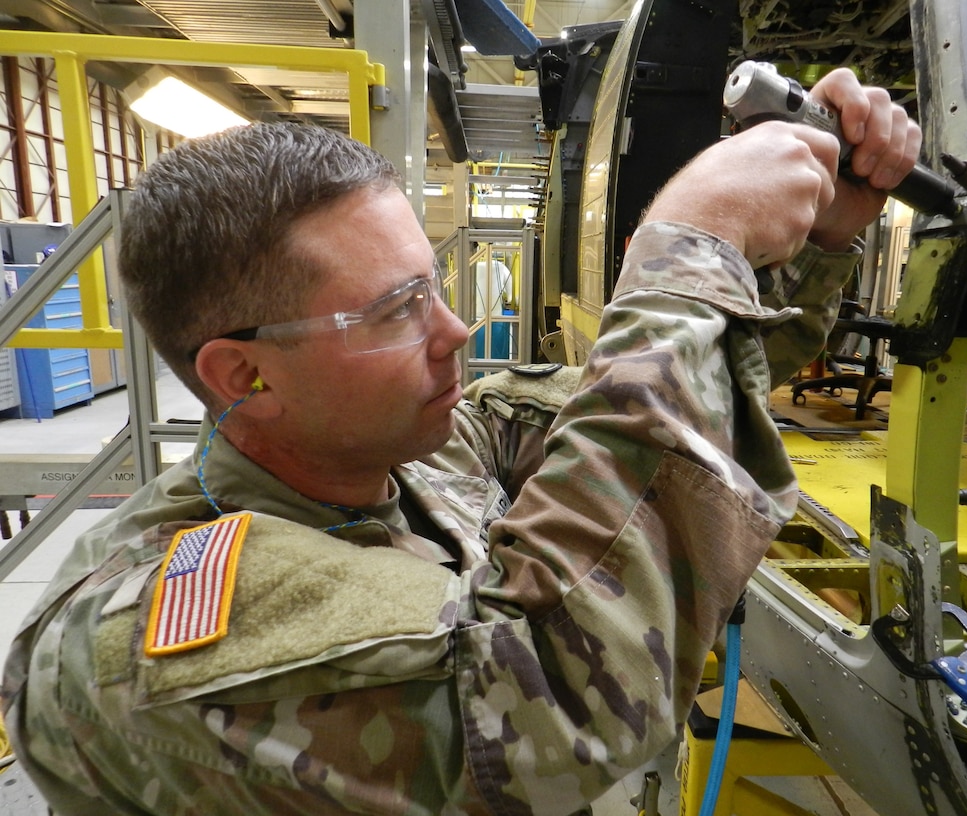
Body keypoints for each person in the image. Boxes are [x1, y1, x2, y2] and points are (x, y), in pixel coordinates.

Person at [1, 66, 919, 815]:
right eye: (398, 309)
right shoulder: (152, 639)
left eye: (432, 284)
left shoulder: (416, 453)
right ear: (245, 377)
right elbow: (560, 705)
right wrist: (688, 248)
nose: (456, 332)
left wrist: (815, 239)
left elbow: (678, 406)